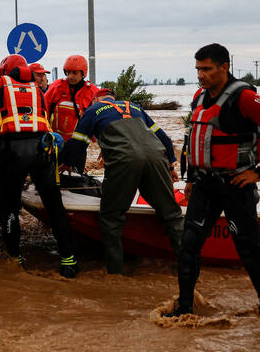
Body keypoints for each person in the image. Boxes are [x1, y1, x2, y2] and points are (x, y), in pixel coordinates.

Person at [167, 43, 260, 318]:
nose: (200, 75)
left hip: (236, 187)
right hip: (204, 185)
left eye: (206, 69)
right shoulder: (199, 98)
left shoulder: (245, 98)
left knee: (248, 249)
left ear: (224, 67)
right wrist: (190, 178)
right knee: (188, 246)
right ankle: (185, 310)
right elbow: (194, 140)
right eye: (197, 69)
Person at [66, 88, 183, 274]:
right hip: (156, 158)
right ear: (114, 99)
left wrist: (64, 162)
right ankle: (188, 268)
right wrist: (170, 166)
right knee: (171, 214)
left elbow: (77, 144)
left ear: (95, 100)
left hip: (124, 161)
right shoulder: (134, 107)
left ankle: (115, 274)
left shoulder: (92, 110)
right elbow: (163, 138)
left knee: (111, 218)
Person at [0, 54, 78, 277]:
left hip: (14, 152)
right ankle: (69, 260)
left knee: (9, 206)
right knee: (54, 205)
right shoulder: (38, 90)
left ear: (5, 71)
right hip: (44, 150)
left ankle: (15, 258)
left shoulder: (0, 84)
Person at [44, 55, 102, 167]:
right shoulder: (57, 87)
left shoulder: (92, 92)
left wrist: (103, 145)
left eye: (74, 73)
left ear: (83, 73)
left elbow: (99, 119)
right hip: (54, 143)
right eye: (68, 72)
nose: (70, 76)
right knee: (51, 174)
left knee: (75, 176)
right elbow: (44, 109)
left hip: (77, 147)